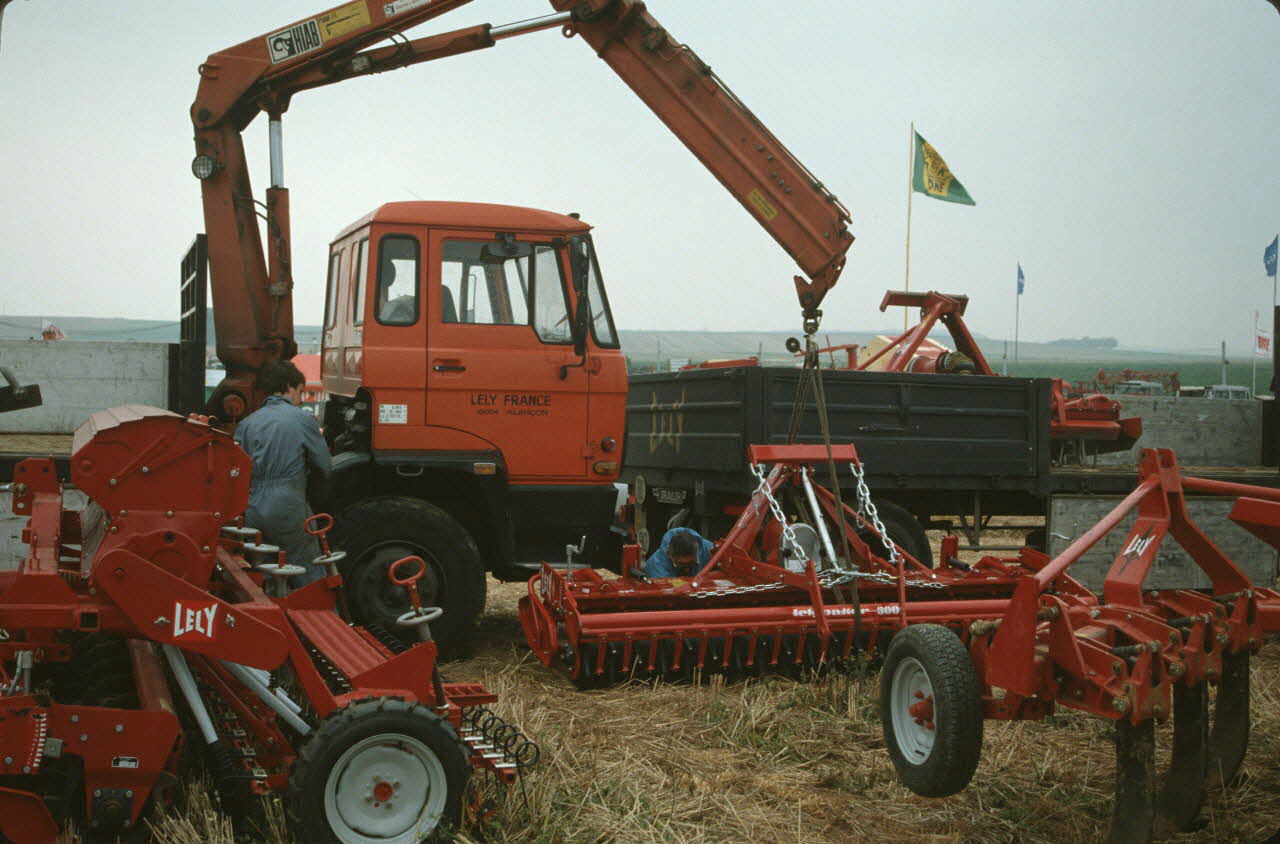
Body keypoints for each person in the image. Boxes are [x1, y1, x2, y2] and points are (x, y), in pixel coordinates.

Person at [234, 360, 332, 587]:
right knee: (308, 571)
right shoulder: (302, 419)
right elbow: (325, 466)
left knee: (267, 572)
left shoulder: (248, 423)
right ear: (289, 386)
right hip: (287, 506)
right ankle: (318, 619)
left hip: (253, 508)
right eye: (300, 392)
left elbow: (238, 468)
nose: (301, 398)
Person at [644, 526, 714, 578]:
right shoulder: (656, 567)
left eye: (691, 563)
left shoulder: (709, 549)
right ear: (669, 554)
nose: (686, 570)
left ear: (697, 551)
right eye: (680, 565)